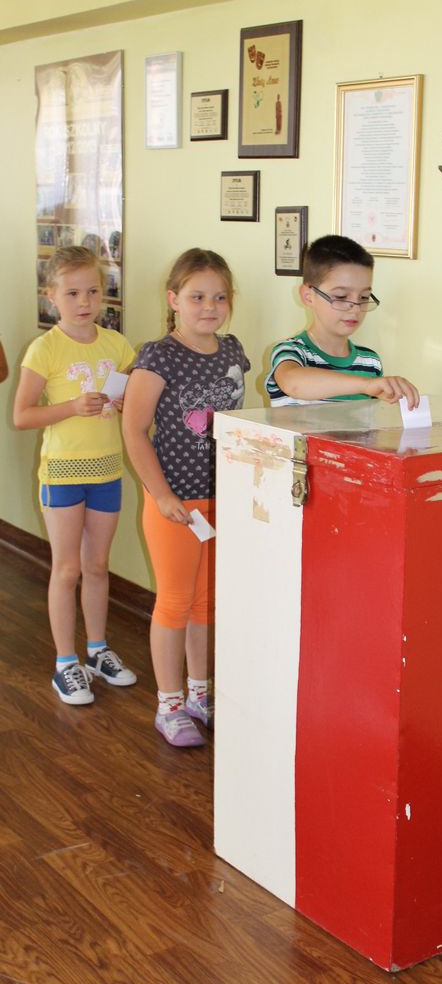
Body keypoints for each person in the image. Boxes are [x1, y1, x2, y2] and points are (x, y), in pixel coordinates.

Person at [122, 248, 250, 747]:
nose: (209, 307)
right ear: (174, 299)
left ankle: (200, 692)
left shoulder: (233, 350)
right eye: (197, 297)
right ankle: (169, 704)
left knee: (206, 604)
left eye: (219, 297)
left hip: (224, 499)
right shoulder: (158, 356)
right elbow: (134, 431)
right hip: (176, 505)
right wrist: (161, 495)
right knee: (175, 603)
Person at [13, 246, 137, 705]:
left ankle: (98, 651)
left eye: (93, 291)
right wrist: (71, 406)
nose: (84, 301)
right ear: (51, 296)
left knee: (97, 566)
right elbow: (22, 416)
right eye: (72, 293)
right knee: (67, 569)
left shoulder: (117, 344)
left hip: (107, 469)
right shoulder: (44, 348)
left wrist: (124, 402)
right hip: (63, 472)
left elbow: (131, 400)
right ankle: (66, 663)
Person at [265, 234, 420, 409]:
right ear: (308, 296)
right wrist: (366, 385)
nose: (355, 309)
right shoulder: (291, 352)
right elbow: (294, 384)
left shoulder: (370, 362)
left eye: (364, 297)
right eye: (340, 296)